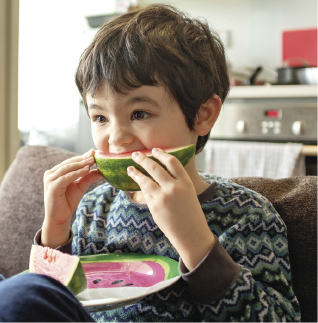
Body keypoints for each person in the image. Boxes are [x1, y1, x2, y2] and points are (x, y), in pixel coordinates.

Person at [0, 4, 300, 323]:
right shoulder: (93, 209)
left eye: (139, 114)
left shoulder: (246, 214)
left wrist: (196, 242)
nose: (116, 138)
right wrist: (55, 233)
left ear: (202, 115)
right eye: (100, 117)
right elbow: (57, 304)